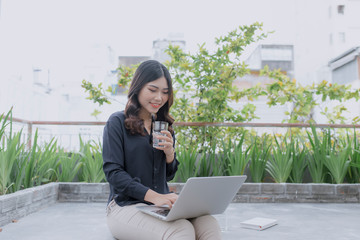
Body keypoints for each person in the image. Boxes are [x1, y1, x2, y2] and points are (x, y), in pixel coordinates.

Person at [102, 60, 222, 240]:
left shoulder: (164, 126)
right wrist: (154, 197)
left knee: (209, 223)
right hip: (124, 206)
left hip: (159, 204)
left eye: (165, 92)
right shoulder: (117, 122)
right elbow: (114, 173)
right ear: (138, 88)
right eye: (153, 90)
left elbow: (167, 175)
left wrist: (169, 154)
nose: (159, 97)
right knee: (181, 230)